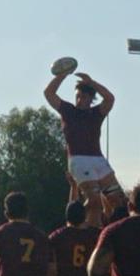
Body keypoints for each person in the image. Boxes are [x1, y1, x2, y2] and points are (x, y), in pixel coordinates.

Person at [43, 70, 126, 212]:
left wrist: (91, 82)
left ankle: (112, 229)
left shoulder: (96, 113)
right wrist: (62, 74)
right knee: (94, 202)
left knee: (119, 201)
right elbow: (49, 93)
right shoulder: (68, 110)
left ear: (91, 98)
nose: (79, 100)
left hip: (98, 159)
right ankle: (75, 220)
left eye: (83, 97)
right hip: (79, 160)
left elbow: (110, 98)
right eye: (77, 97)